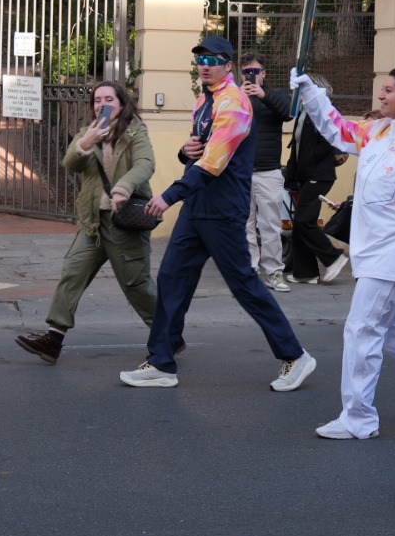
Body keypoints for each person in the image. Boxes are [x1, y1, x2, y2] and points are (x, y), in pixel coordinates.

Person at [119, 36, 315, 390]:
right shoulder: (204, 100)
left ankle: (295, 356)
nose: (205, 65)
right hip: (198, 207)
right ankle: (161, 362)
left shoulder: (235, 103)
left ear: (228, 65)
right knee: (172, 278)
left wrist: (169, 196)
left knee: (244, 285)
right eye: (201, 60)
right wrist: (184, 151)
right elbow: (198, 152)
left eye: (213, 60)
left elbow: (213, 163)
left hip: (223, 211)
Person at [291, 65, 395, 439]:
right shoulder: (377, 131)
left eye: (388, 90)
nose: (381, 95)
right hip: (371, 255)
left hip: (394, 256)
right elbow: (336, 128)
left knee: (362, 331)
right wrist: (311, 93)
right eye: (381, 89)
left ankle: (359, 418)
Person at [16, 81, 156, 364]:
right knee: (73, 272)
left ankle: (168, 335)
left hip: (123, 221)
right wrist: (86, 143)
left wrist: (124, 187)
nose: (102, 104)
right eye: (97, 100)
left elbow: (145, 164)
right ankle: (53, 340)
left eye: (109, 99)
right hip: (93, 221)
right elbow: (71, 164)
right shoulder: (88, 131)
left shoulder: (135, 131)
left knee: (136, 284)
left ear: (121, 103)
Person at [284, 73, 349, 285]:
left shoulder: (322, 111)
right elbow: (297, 146)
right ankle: (305, 273)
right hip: (306, 174)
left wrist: (307, 163)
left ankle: (333, 257)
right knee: (301, 222)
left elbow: (327, 143)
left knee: (304, 220)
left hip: (319, 174)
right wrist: (293, 174)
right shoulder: (303, 112)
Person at [239, 54, 294, 292]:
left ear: (264, 73)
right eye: (246, 72)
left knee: (271, 226)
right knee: (245, 226)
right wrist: (239, 96)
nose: (250, 76)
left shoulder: (277, 96)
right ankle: (250, 272)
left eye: (255, 71)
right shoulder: (235, 97)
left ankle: (274, 272)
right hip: (240, 172)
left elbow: (289, 113)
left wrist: (263, 95)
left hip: (268, 171)